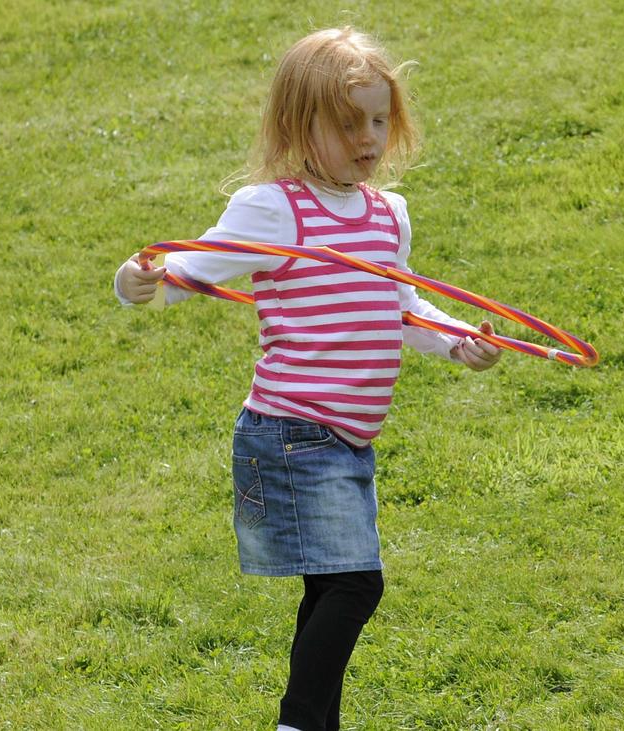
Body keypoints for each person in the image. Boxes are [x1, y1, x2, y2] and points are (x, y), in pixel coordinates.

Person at [114, 27, 502, 729]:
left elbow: (402, 308)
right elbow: (183, 273)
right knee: (356, 584)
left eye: (379, 120)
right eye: (349, 124)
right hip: (292, 431)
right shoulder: (275, 209)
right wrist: (138, 280)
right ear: (300, 125)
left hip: (348, 440)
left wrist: (458, 341)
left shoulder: (388, 216)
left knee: (329, 588)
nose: (369, 138)